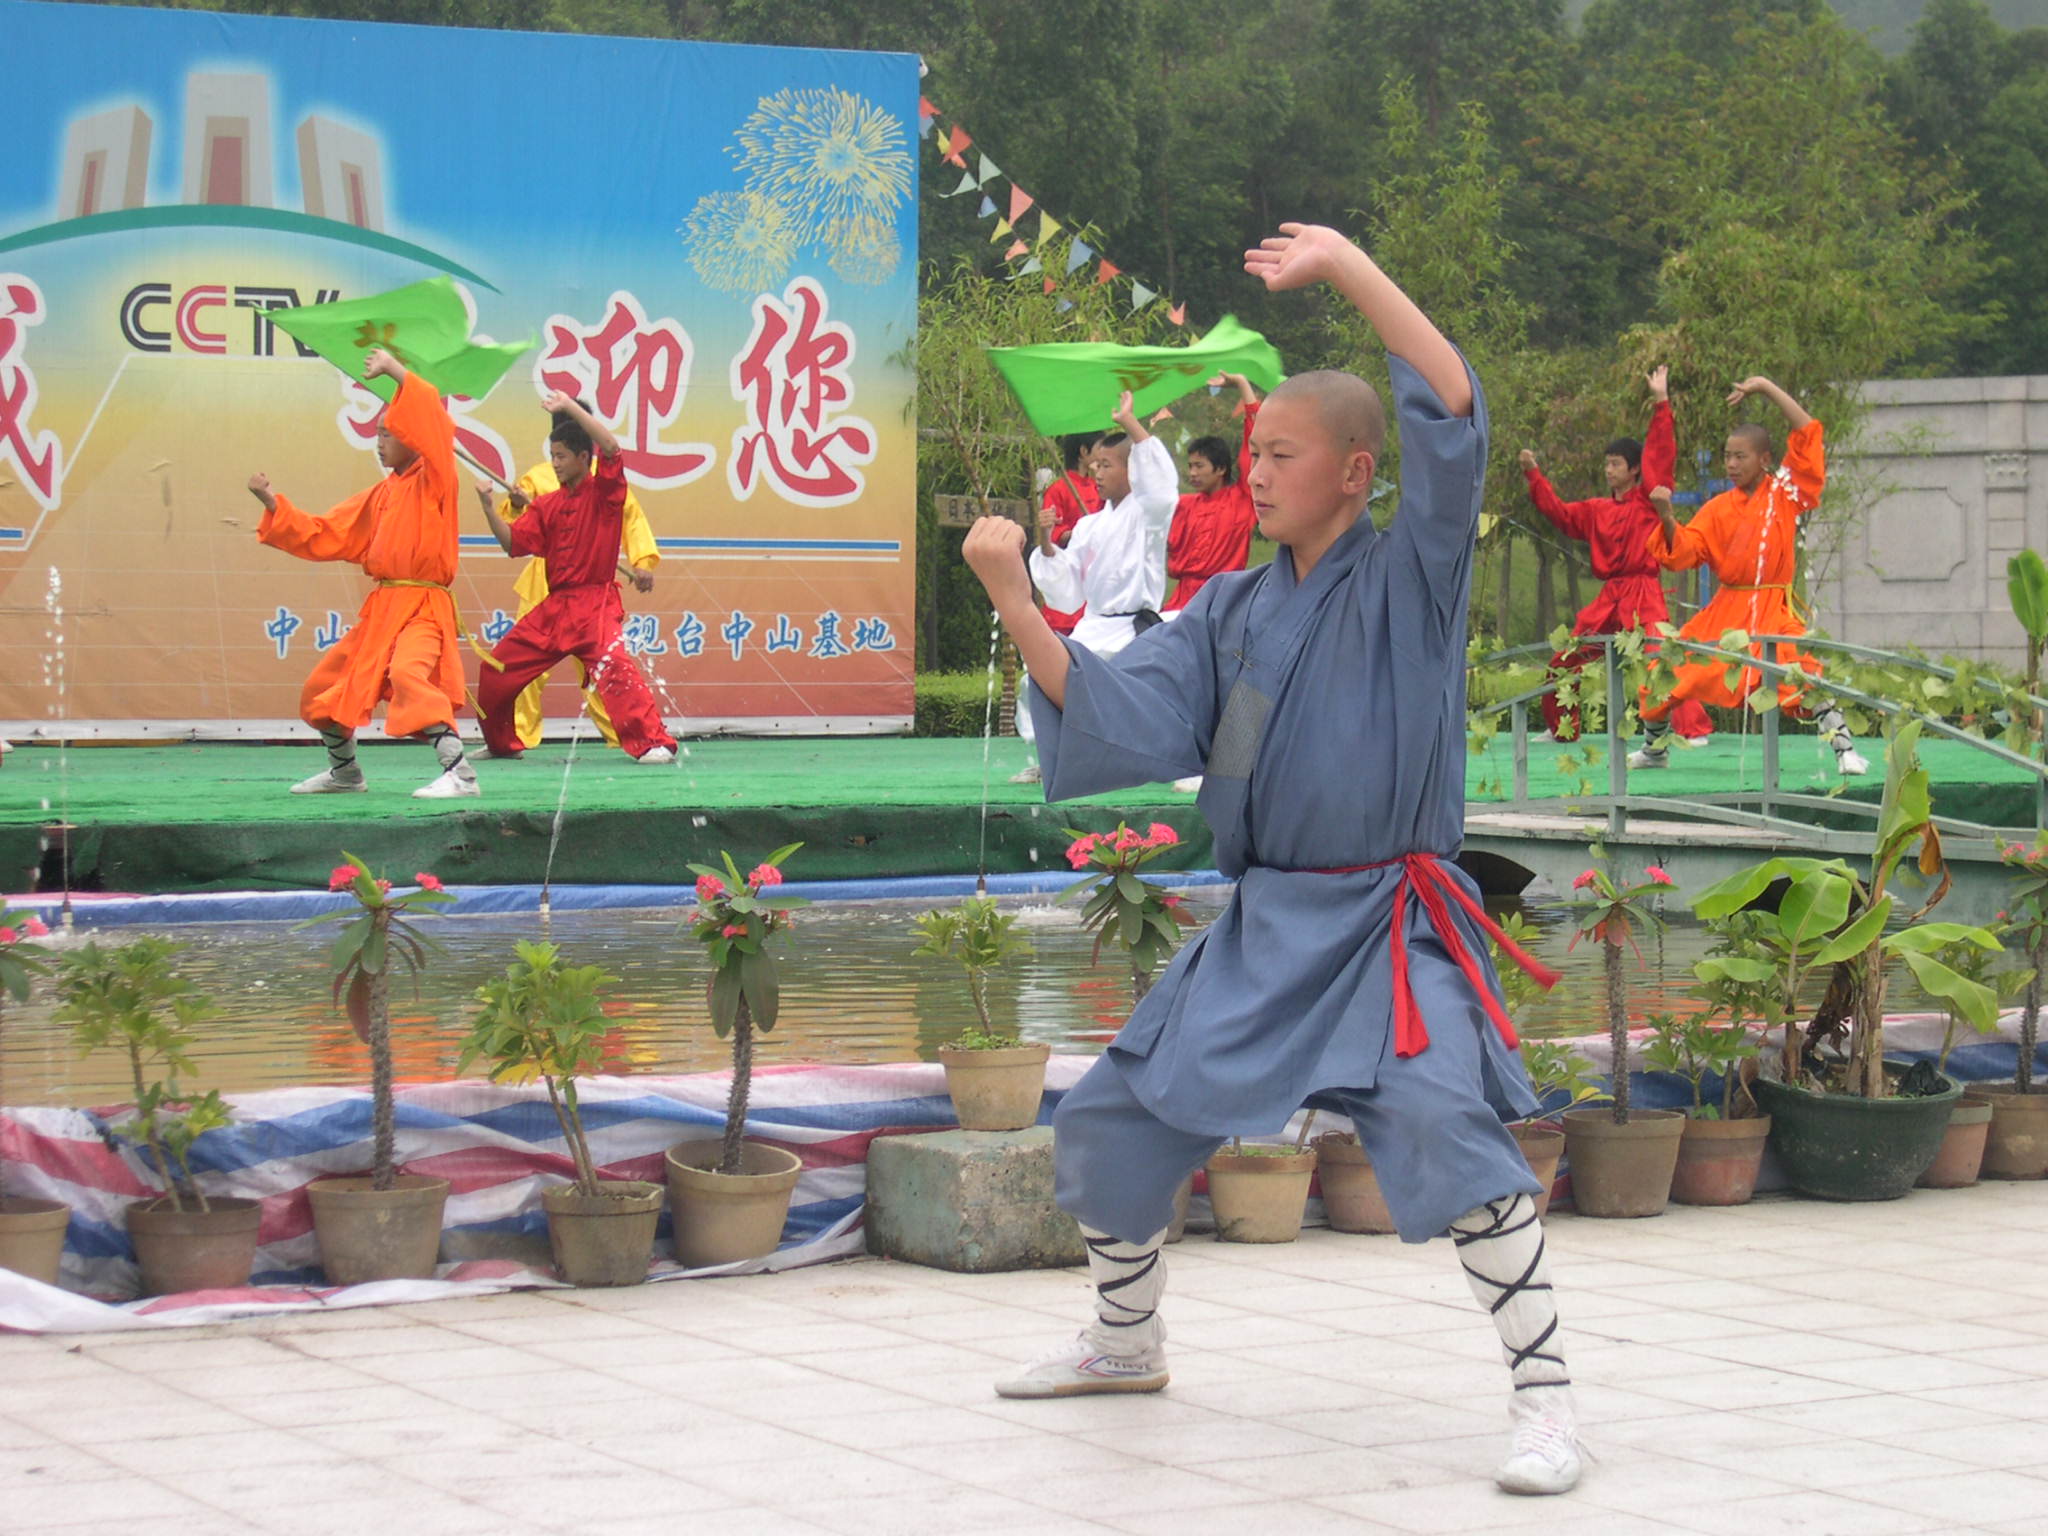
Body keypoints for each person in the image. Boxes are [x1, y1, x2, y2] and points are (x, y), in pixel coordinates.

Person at [961, 222, 1582, 1497]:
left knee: (1444, 1128)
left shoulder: (1413, 578)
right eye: (1250, 455)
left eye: (1279, 456)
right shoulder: (1232, 611)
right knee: (1117, 1113)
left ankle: (1545, 1399)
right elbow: (1121, 706)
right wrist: (1016, 603)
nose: (1252, 475)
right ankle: (1123, 1343)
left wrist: (1348, 267)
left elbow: (1451, 404)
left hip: (1388, 929)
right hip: (1265, 927)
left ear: (1355, 473)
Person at [249, 346, 479, 800]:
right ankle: (345, 773)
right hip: (383, 609)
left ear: (413, 436)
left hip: (422, 607)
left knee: (409, 675)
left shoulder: (436, 477)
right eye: (377, 433)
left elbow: (433, 421)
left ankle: (461, 775)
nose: (380, 442)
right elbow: (328, 531)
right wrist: (273, 504)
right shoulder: (384, 493)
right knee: (325, 686)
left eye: (389, 433)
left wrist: (395, 370)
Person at [1630, 375, 1866, 775]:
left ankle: (1845, 751)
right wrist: (1667, 517)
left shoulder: (1785, 494)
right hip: (1727, 611)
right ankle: (1655, 750)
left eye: (1741, 456)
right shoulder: (1718, 507)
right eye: (1728, 456)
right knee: (1669, 669)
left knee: (1800, 673)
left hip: (1772, 608)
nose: (1732, 464)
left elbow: (1807, 431)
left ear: (1764, 459)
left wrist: (1767, 388)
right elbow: (1685, 551)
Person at [472, 394, 678, 764]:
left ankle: (651, 742)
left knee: (615, 669)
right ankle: (502, 743)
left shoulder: (606, 492)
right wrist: (489, 508)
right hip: (555, 607)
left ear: (584, 457)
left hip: (594, 605)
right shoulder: (546, 504)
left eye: (562, 456)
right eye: (552, 456)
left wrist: (569, 405)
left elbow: (612, 449)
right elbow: (513, 543)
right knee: (495, 668)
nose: (555, 464)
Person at [1519, 365, 1712, 744]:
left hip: (1644, 592)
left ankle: (1692, 728)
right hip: (1611, 596)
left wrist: (1661, 402)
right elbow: (1559, 513)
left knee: (1661, 656)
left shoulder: (1648, 499)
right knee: (1568, 655)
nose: (1608, 470)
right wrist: (1533, 475)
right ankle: (1562, 726)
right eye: (1606, 464)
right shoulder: (1596, 509)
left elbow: (1661, 454)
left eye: (1615, 464)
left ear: (1635, 469)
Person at [1008, 395, 1176, 785]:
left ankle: (1157, 762)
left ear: (1133, 470)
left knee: (1144, 695)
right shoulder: (1089, 526)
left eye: (1106, 465)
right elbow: (1068, 589)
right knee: (1037, 681)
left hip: (1134, 630)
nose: (1096, 473)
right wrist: (1046, 540)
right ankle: (1053, 759)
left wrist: (1130, 422)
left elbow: (1161, 486)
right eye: (1094, 465)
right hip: (1092, 628)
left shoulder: (1148, 514)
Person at [501, 427, 662, 752]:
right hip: (545, 581)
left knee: (601, 664)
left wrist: (642, 560)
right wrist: (517, 505)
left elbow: (631, 517)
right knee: (524, 666)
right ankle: (519, 734)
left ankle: (623, 734)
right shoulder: (539, 476)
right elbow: (515, 524)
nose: (557, 461)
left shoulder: (603, 482)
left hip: (588, 587)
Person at [1163, 372, 1262, 614]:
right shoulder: (1183, 504)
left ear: (1220, 469)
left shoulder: (1242, 499)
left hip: (1224, 602)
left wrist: (1242, 383)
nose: (1192, 473)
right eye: (1190, 466)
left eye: (1199, 466)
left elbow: (1256, 438)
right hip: (1181, 603)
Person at [1040, 432, 1104, 636]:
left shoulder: (1100, 488)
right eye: (1099, 449)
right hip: (1071, 573)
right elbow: (1054, 536)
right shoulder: (1059, 489)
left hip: (1097, 575)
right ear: (1084, 452)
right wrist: (1084, 532)